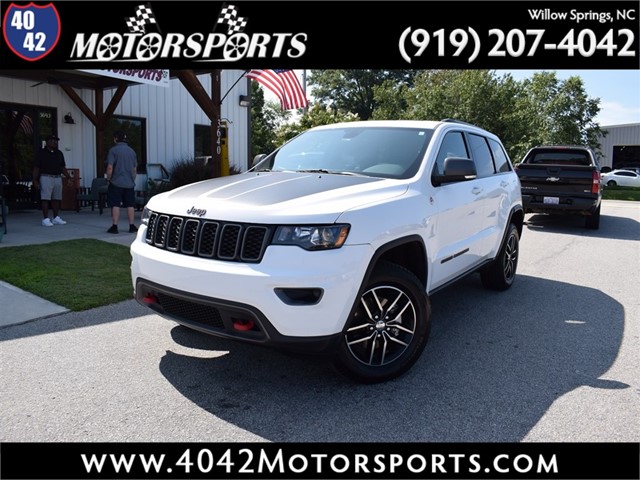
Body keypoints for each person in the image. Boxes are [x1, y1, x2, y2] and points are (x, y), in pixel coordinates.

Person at [32, 134, 73, 227]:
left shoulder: (59, 153)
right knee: (45, 198)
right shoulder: (41, 153)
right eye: (52, 140)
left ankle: (56, 218)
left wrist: (68, 177)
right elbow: (36, 167)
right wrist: (35, 180)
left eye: (56, 141)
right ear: (47, 142)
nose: (54, 142)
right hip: (46, 177)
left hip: (57, 177)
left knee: (56, 198)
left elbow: (62, 167)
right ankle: (45, 219)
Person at [105, 130, 138, 234]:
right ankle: (132, 226)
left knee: (115, 204)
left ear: (115, 139)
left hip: (116, 182)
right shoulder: (132, 151)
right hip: (129, 183)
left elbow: (110, 167)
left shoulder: (113, 150)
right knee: (130, 204)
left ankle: (115, 226)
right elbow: (134, 169)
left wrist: (108, 178)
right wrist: (132, 179)